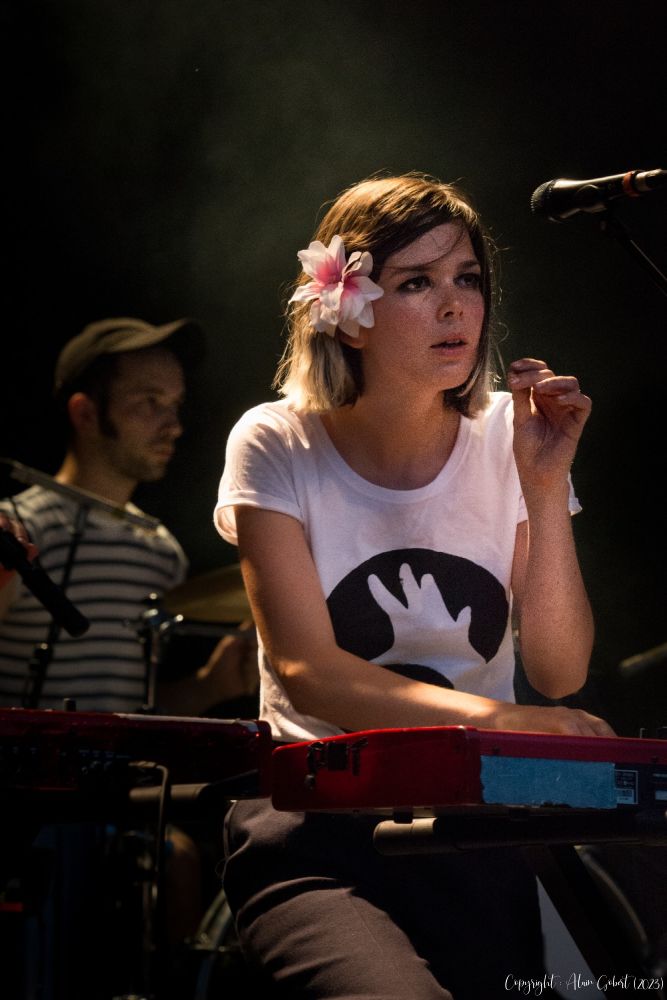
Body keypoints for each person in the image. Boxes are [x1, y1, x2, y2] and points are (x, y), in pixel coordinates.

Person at [213, 173, 616, 999]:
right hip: (317, 833)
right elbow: (307, 673)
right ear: (344, 312)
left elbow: (560, 671)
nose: (454, 305)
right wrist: (507, 724)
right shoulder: (275, 440)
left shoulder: (510, 433)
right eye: (415, 283)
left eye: (466, 277)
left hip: (474, 829)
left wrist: (543, 487)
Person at [0, 316, 257, 715]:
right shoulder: (19, 532)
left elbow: (132, 713)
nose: (173, 426)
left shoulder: (161, 552)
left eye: (174, 405)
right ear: (85, 414)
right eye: (150, 402)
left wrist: (211, 686)